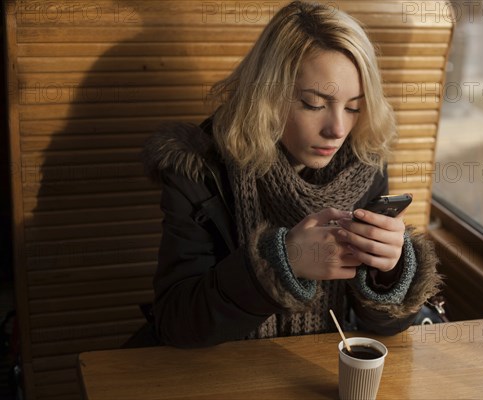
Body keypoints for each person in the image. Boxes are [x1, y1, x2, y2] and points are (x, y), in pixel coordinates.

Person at [142, 0, 442, 348]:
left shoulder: (363, 162)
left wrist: (388, 271)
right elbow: (177, 322)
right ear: (267, 96)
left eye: (354, 107)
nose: (338, 129)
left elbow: (380, 329)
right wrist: (281, 263)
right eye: (314, 104)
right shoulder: (198, 169)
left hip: (317, 368)